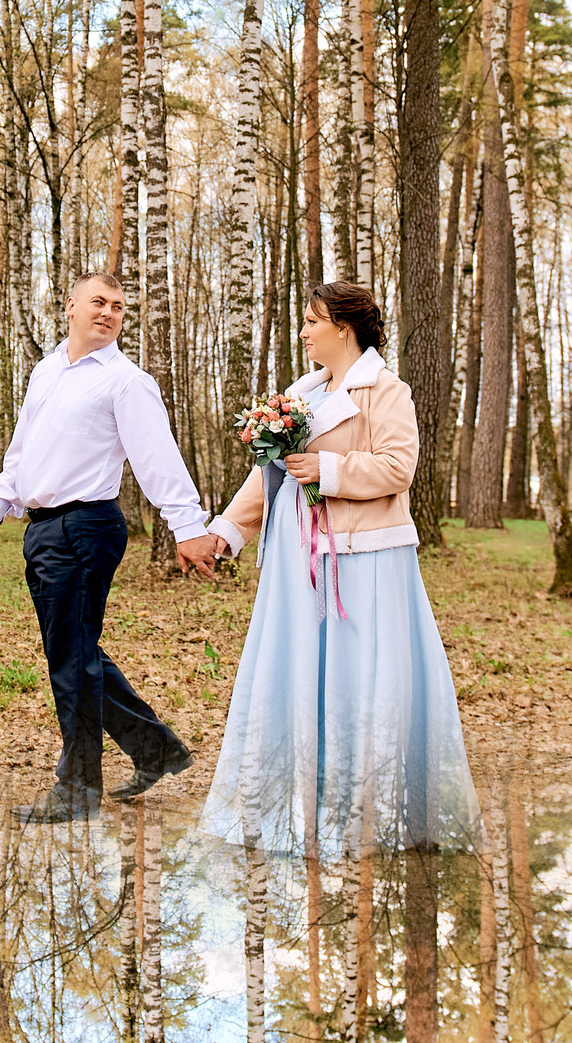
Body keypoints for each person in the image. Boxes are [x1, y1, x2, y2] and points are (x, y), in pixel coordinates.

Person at [193, 281, 481, 854]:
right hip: (296, 556)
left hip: (362, 558)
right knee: (301, 665)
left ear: (343, 329)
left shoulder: (387, 390)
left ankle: (365, 809)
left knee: (358, 671)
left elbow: (398, 467)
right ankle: (301, 799)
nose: (303, 331)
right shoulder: (301, 393)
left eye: (312, 321)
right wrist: (227, 531)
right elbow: (270, 475)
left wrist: (330, 470)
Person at [0, 271, 223, 823]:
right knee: (76, 654)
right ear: (70, 307)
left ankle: (78, 788)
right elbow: (23, 447)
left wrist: (187, 527)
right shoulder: (46, 371)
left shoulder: (125, 381)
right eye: (98, 302)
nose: (109, 313)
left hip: (86, 527)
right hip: (43, 529)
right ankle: (156, 749)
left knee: (72, 660)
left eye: (118, 306)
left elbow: (157, 457)